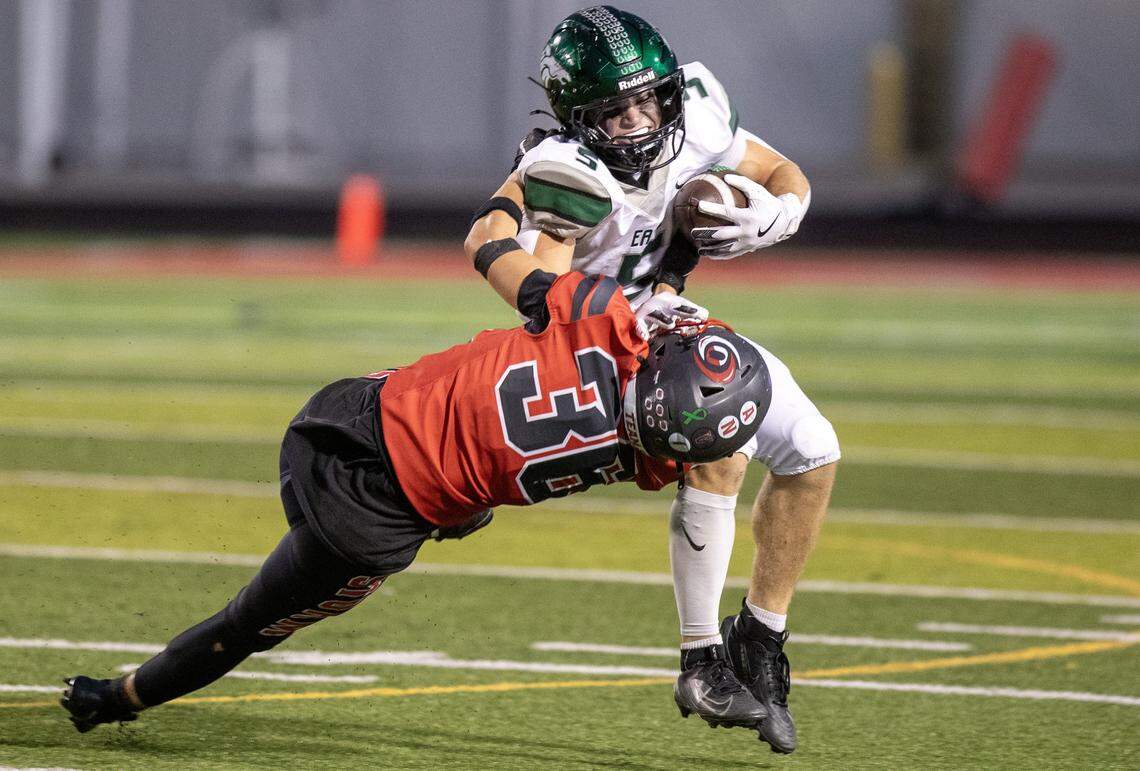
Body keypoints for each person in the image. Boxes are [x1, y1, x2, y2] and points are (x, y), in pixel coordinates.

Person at [61, 253, 776, 735]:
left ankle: (122, 696)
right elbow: (706, 475)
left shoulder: (596, 315)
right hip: (378, 524)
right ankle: (118, 697)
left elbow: (492, 242)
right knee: (246, 621)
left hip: (346, 415)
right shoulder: (651, 460)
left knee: (258, 612)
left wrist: (653, 273)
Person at [464, 6, 840, 753]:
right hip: (593, 341)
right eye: (616, 109)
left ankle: (759, 638)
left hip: (666, 315)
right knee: (721, 434)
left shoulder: (696, 106)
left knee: (813, 449)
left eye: (649, 99)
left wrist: (780, 215)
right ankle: (700, 659)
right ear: (577, 116)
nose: (640, 120)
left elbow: (775, 169)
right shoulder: (565, 170)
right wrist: (569, 300)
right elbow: (518, 265)